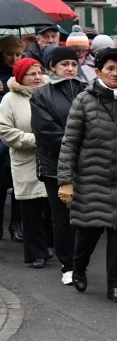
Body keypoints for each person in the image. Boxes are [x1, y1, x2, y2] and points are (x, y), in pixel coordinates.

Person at [57, 48, 117, 304]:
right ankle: (79, 269)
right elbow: (69, 144)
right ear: (98, 71)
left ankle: (115, 286)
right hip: (90, 180)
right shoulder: (84, 101)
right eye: (109, 68)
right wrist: (66, 181)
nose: (115, 73)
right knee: (88, 234)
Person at [30, 47, 87, 285]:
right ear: (52, 67)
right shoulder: (41, 95)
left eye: (73, 64)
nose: (70, 68)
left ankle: (81, 262)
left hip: (88, 163)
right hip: (55, 165)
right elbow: (45, 131)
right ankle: (68, 265)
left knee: (86, 214)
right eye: (64, 64)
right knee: (63, 216)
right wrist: (78, 144)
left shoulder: (88, 89)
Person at [0, 58, 51, 267]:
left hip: (51, 158)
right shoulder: (10, 99)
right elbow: (5, 130)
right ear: (21, 77)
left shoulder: (50, 94)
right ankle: (36, 253)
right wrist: (35, 140)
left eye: (39, 72)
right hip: (26, 159)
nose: (38, 77)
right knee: (30, 208)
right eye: (32, 74)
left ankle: (49, 245)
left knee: (50, 207)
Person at [0, 36, 26, 241]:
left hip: (19, 131)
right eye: (9, 54)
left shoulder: (24, 74)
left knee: (20, 182)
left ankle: (17, 224)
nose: (14, 58)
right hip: (2, 135)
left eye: (18, 54)